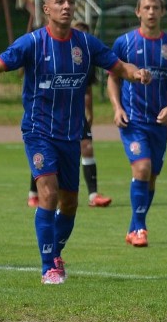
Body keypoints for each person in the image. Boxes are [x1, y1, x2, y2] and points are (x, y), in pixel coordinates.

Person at [0, 0, 151, 284]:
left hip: (72, 134)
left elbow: (119, 66)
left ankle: (54, 252)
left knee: (70, 203)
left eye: (70, 1)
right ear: (46, 9)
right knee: (49, 193)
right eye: (59, 1)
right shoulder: (31, 43)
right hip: (38, 130)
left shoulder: (86, 44)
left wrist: (136, 73)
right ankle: (49, 267)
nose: (66, 6)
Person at [107, 0, 167, 248]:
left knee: (151, 176)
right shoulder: (124, 43)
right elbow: (113, 77)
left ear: (162, 12)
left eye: (155, 7)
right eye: (146, 7)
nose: (151, 12)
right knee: (141, 168)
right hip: (133, 121)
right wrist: (117, 107)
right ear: (137, 12)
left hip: (159, 123)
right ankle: (141, 228)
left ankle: (134, 227)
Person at [27, 20, 115, 208]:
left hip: (75, 115)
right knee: (45, 157)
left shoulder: (87, 57)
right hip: (47, 117)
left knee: (87, 147)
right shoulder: (46, 49)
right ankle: (34, 192)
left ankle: (93, 195)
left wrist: (90, 113)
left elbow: (88, 90)